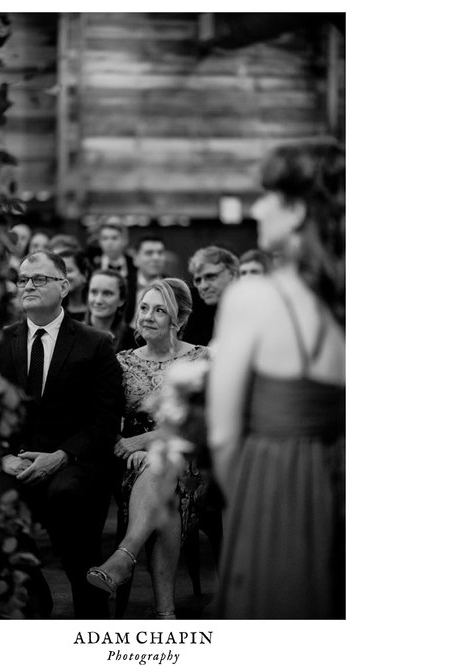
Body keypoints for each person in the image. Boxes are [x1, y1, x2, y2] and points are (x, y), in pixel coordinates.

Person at [208, 140, 346, 619]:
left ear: (298, 211)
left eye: (268, 195)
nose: (257, 206)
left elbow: (223, 438)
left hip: (276, 491)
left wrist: (251, 508)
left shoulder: (254, 298)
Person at [0, 250, 124, 619]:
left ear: (64, 287)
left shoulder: (95, 343)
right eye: (23, 280)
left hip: (74, 460)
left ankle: (89, 610)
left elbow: (104, 420)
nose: (28, 286)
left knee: (69, 498)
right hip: (16, 458)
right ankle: (35, 598)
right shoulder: (3, 341)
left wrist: (61, 456)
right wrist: (4, 454)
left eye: (39, 279)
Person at [86, 278, 209, 619]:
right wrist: (129, 448)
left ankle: (124, 557)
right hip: (131, 463)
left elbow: (203, 424)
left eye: (160, 310)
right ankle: (165, 613)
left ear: (178, 319)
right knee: (162, 484)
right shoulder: (120, 362)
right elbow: (103, 420)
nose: (148, 316)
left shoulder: (202, 359)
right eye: (144, 308)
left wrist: (146, 442)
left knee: (165, 464)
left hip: (191, 463)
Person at [180, 246, 239, 346]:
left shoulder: (256, 310)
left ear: (232, 275)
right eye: (198, 280)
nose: (203, 286)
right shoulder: (192, 314)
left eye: (211, 277)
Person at [92, 221, 138, 325]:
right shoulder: (91, 266)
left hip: (129, 324)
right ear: (99, 241)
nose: (109, 242)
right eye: (105, 238)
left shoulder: (135, 265)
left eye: (114, 238)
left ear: (124, 240)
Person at [85, 269, 137, 353]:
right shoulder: (71, 334)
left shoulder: (134, 341)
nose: (98, 300)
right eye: (94, 292)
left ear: (121, 300)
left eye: (107, 293)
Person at [131, 236, 167, 328]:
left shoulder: (174, 287)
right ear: (136, 258)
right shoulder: (124, 284)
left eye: (160, 253)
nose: (156, 257)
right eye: (149, 253)